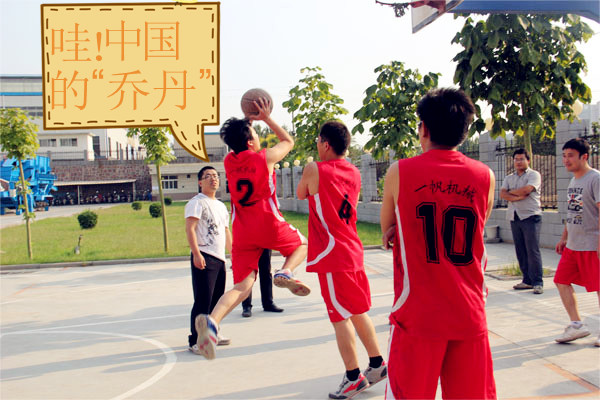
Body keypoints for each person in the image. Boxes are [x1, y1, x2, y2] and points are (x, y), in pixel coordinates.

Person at [380, 88, 497, 399]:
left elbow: (387, 228)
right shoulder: (485, 175)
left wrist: (400, 230)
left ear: (424, 129)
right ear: (464, 131)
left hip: (417, 314)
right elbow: (479, 225)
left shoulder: (400, 171)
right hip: (468, 310)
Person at [195, 98, 309, 360]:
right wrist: (265, 117)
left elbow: (237, 139)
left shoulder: (229, 162)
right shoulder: (264, 158)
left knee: (243, 286)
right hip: (267, 222)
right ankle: (286, 272)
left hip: (243, 231)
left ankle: (212, 321)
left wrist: (246, 120)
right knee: (303, 244)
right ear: (250, 142)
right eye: (256, 134)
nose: (259, 137)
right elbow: (288, 141)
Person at [297, 121, 387, 399]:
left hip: (332, 253)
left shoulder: (314, 169)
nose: (317, 145)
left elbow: (301, 193)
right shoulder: (354, 171)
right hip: (352, 249)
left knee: (339, 317)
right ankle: (377, 364)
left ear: (325, 144)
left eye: (318, 141)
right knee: (357, 310)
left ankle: (352, 377)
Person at [553, 137, 599, 346]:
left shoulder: (595, 179)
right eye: (564, 156)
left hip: (591, 244)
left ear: (584, 156)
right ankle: (577, 325)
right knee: (561, 280)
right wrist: (564, 237)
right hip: (573, 245)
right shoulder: (574, 181)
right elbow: (573, 212)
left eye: (570, 155)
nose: (566, 160)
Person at [184, 166, 232, 355]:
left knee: (217, 300)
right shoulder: (196, 203)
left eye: (216, 176)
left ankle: (213, 333)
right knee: (203, 300)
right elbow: (190, 229)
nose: (213, 179)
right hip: (204, 255)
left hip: (219, 258)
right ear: (200, 182)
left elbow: (226, 231)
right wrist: (197, 253)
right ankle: (195, 340)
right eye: (208, 176)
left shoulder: (220, 205)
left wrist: (233, 253)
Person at [500, 148, 544, 294]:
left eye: (521, 159)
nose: (518, 162)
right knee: (520, 250)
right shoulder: (509, 178)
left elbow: (527, 190)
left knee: (532, 250)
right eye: (516, 159)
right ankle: (527, 280)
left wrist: (511, 193)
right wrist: (517, 197)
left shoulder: (534, 175)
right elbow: (502, 194)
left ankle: (537, 282)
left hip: (530, 216)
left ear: (528, 160)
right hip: (514, 216)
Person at [241, 249, 284, 317]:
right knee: (247, 273)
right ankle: (246, 306)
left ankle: (268, 303)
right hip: (248, 244)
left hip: (265, 244)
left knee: (266, 271)